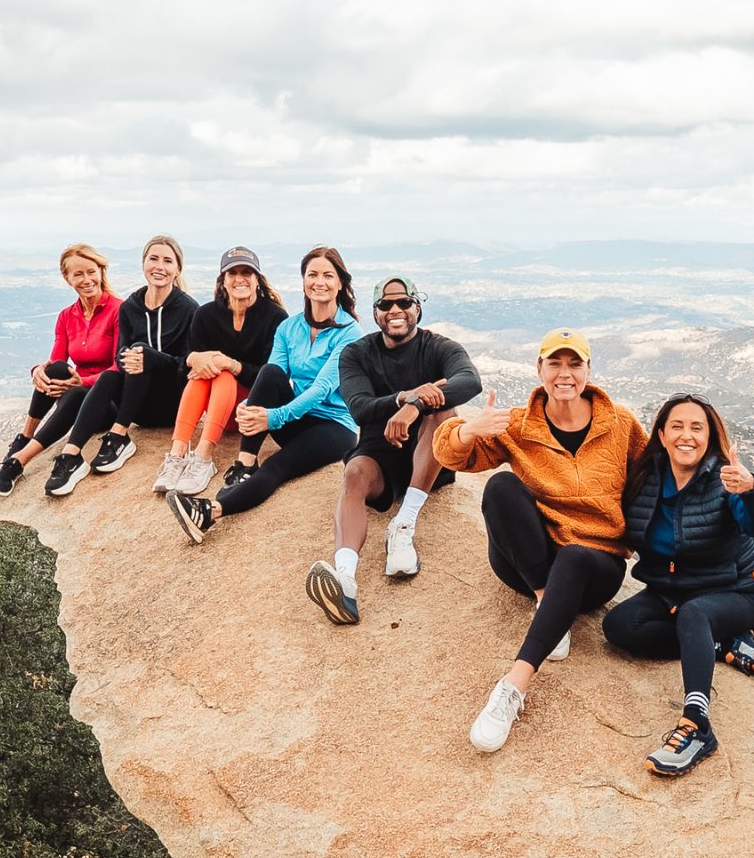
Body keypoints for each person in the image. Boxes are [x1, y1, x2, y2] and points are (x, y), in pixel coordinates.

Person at [433, 329, 647, 753]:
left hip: (593, 566)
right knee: (500, 488)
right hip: (528, 564)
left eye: (574, 364)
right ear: (540, 369)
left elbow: (649, 480)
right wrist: (469, 430)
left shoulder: (620, 423)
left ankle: (513, 686)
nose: (564, 374)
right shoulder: (518, 424)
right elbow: (449, 455)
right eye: (555, 363)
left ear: (588, 370)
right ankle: (547, 600)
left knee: (575, 557)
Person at [601, 395, 754, 778]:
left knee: (695, 615)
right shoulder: (646, 477)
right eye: (677, 426)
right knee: (618, 627)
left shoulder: (723, 479)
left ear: (710, 436)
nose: (687, 436)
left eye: (697, 428)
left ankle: (697, 725)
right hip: (670, 592)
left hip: (737, 593)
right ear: (661, 435)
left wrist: (751, 489)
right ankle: (725, 644)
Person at [303, 277, 481, 625]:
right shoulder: (357, 353)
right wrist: (404, 398)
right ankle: (345, 578)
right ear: (375, 313)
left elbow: (469, 381)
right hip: (379, 456)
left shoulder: (439, 347)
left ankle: (403, 525)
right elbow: (359, 407)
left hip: (429, 455)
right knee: (353, 475)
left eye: (403, 303)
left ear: (417, 307)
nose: (395, 310)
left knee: (442, 410)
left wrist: (417, 405)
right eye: (385, 305)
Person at [165, 246, 364, 542]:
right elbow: (271, 376)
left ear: (340, 283)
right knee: (270, 374)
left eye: (328, 275)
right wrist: (248, 407)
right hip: (298, 418)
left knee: (278, 466)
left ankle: (209, 512)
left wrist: (275, 417)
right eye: (312, 274)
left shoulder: (350, 332)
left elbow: (322, 389)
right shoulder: (289, 327)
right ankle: (245, 461)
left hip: (334, 427)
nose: (319, 282)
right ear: (303, 281)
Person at [39, 235, 198, 497]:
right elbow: (121, 353)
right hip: (137, 407)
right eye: (153, 259)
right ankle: (72, 455)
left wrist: (150, 357)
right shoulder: (131, 307)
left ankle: (119, 435)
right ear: (144, 264)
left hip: (172, 404)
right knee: (113, 374)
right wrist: (135, 356)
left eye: (168, 261)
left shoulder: (190, 310)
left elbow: (188, 366)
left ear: (177, 269)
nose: (160, 266)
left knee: (140, 353)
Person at [153, 246, 287, 496]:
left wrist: (231, 364)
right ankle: (177, 455)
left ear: (257, 279)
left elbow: (274, 377)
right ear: (223, 280)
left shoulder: (275, 318)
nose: (239, 278)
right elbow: (184, 369)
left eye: (247, 272)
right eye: (232, 272)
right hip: (216, 409)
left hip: (249, 410)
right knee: (204, 374)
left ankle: (203, 458)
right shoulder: (205, 315)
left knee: (223, 373)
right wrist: (196, 359)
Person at [0, 243, 119, 496]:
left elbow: (118, 368)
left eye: (91, 271)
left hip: (105, 402)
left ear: (101, 272)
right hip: (74, 394)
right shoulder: (66, 316)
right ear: (67, 279)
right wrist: (38, 371)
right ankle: (25, 435)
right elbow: (57, 362)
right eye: (78, 274)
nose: (86, 279)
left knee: (78, 391)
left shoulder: (118, 310)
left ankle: (18, 462)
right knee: (54, 369)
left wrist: (83, 382)